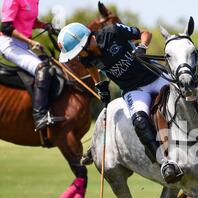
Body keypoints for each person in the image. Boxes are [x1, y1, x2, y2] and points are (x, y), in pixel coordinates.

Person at [57, 22, 182, 184]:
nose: (78, 55)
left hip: (154, 77)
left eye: (78, 50)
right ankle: (165, 163)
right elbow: (92, 68)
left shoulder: (112, 32)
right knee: (139, 121)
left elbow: (145, 33)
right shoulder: (85, 57)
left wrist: (142, 47)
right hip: (134, 89)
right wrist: (98, 84)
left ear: (87, 41)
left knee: (185, 97)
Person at [0, 0, 64, 131]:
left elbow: (31, 21)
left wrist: (44, 25)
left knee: (49, 65)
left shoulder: (34, 1)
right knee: (42, 68)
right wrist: (30, 41)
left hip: (23, 44)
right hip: (9, 43)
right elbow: (6, 27)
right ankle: (40, 116)